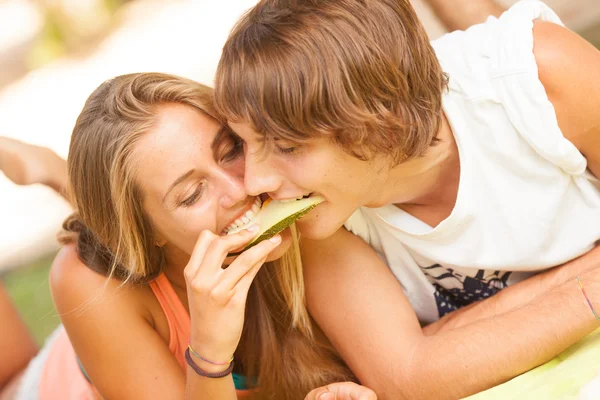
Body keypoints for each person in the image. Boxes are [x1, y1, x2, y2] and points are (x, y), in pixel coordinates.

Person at [213, 0, 600, 398]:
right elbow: (408, 378)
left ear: (380, 123)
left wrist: (442, 338)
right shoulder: (322, 215)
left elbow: (417, 366)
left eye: (287, 147)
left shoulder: (532, 74)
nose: (254, 181)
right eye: (245, 143)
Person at [0, 72, 384, 400]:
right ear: (148, 233)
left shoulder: (291, 192)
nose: (240, 189)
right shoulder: (85, 282)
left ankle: (57, 172)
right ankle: (53, 171)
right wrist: (209, 349)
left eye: (230, 150)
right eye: (191, 194)